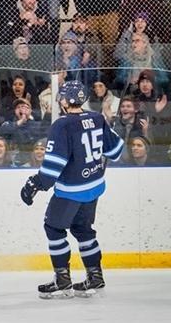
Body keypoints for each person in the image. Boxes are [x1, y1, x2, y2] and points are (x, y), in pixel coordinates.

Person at [20, 81, 125, 298]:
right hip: (94, 187)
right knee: (84, 229)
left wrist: (35, 183)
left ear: (67, 101)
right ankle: (95, 276)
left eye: (61, 98)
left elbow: (53, 166)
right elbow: (115, 150)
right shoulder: (97, 117)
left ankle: (62, 279)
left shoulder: (62, 125)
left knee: (53, 228)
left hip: (71, 190)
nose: (60, 101)